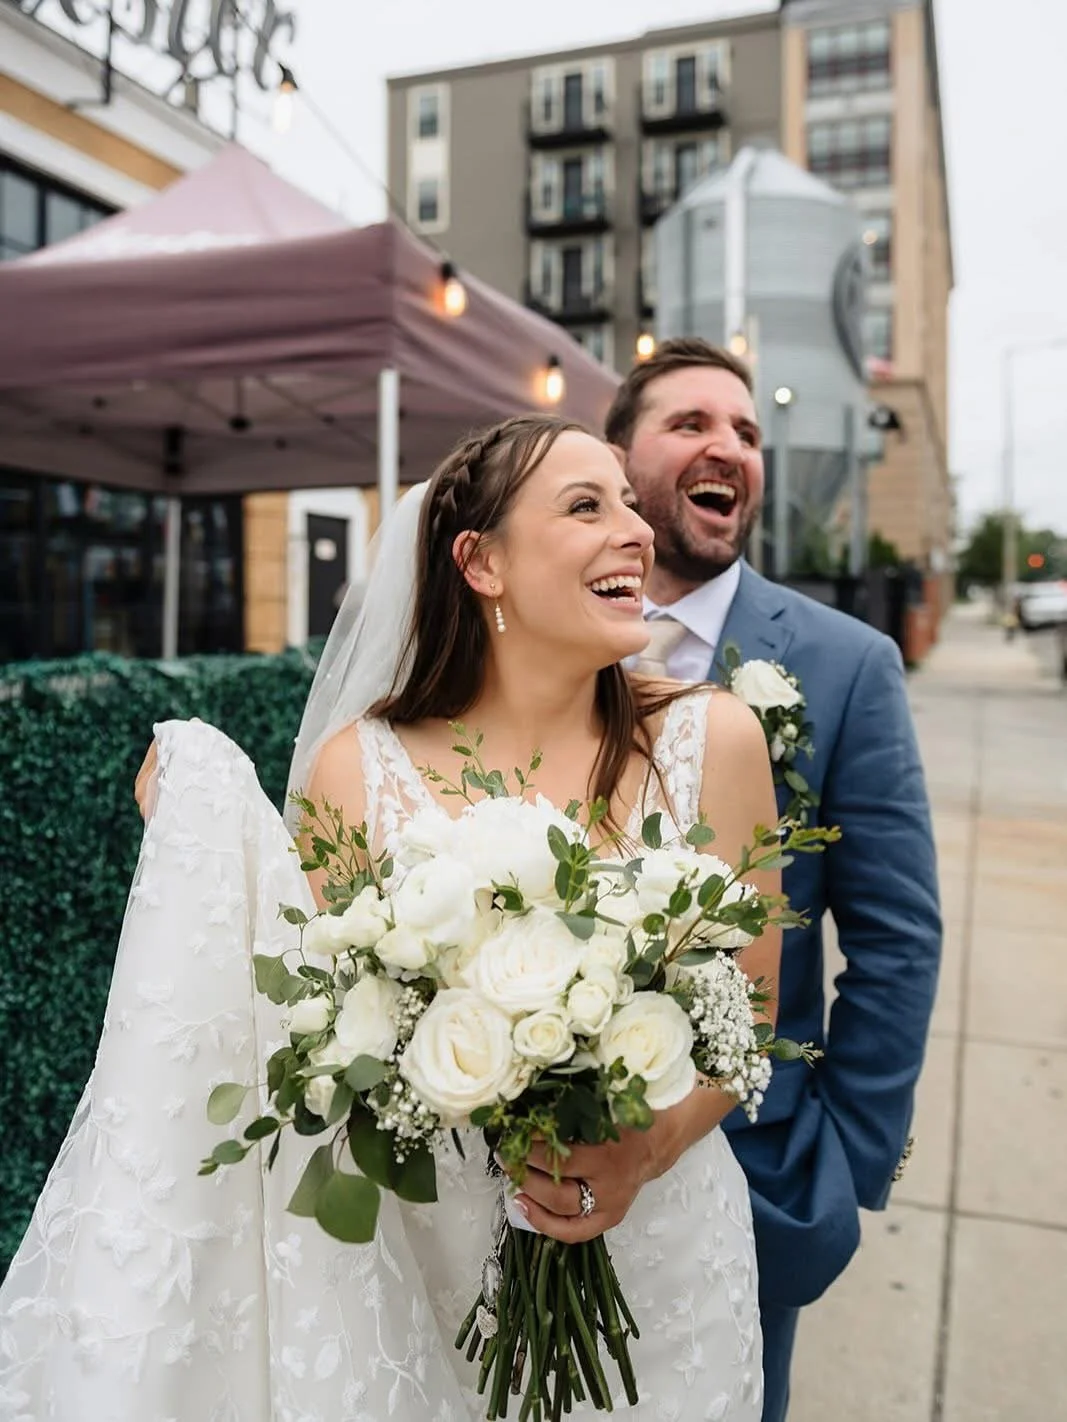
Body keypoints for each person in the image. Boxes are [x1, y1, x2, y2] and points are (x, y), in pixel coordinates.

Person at [2, 413, 781, 1419]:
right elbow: (313, 1026)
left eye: (629, 505)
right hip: (436, 1274)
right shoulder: (357, 771)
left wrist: (640, 1155)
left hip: (667, 1263)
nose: (633, 531)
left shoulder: (711, 740)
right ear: (481, 563)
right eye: (586, 507)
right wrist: (208, 835)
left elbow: (749, 1016)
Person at [606, 338, 942, 1422]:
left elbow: (896, 938)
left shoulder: (845, 664)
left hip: (751, 1173)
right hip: (530, 1168)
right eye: (690, 424)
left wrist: (842, 1160)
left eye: (746, 433)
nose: (730, 448)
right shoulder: (539, 640)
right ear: (618, 460)